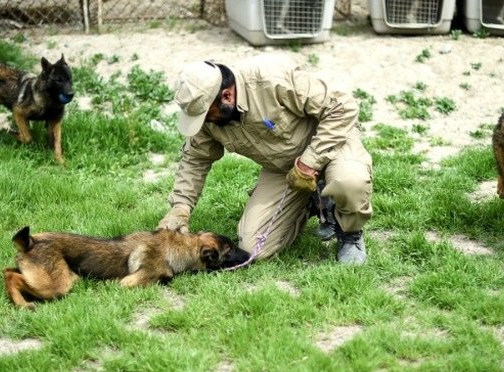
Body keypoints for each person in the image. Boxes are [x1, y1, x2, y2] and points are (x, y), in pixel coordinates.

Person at [157, 55, 373, 264]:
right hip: (286, 169)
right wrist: (181, 207)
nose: (205, 122)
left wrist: (310, 162)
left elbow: (341, 107)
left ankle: (350, 234)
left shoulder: (270, 77)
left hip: (333, 142)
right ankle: (311, 202)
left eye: (206, 115)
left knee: (350, 182)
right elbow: (196, 159)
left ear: (227, 96)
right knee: (254, 248)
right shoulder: (207, 113)